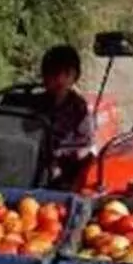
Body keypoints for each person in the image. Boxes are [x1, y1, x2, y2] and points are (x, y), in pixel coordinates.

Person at [37, 45, 95, 189]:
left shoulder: (79, 109)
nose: (60, 79)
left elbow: (85, 146)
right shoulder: (33, 104)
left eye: (66, 74)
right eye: (54, 74)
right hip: (31, 165)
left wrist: (61, 158)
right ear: (44, 77)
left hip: (63, 174)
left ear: (75, 76)